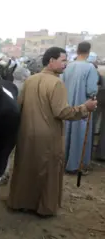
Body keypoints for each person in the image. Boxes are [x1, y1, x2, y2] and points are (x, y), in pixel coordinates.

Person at [8, 47, 97, 217]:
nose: (66, 64)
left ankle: (20, 202)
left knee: (26, 168)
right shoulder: (56, 83)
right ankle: (43, 207)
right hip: (48, 137)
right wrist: (85, 108)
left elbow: (19, 106)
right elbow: (62, 112)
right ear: (51, 61)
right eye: (63, 60)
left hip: (26, 134)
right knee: (47, 171)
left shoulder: (30, 80)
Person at [62, 42, 99, 174]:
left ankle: (63, 162)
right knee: (80, 134)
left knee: (66, 134)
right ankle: (77, 165)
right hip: (83, 106)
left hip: (67, 106)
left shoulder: (67, 67)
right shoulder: (90, 68)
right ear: (88, 51)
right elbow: (92, 90)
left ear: (77, 50)